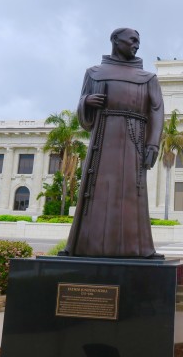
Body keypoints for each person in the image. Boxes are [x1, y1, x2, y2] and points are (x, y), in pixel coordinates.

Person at [62, 28, 164, 258]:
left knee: (132, 193)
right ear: (116, 41)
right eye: (133, 40)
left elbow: (157, 112)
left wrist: (153, 144)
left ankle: (141, 249)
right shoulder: (94, 73)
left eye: (139, 41)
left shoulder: (148, 78)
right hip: (103, 138)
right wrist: (87, 101)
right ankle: (83, 247)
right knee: (94, 191)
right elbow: (84, 116)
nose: (137, 45)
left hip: (134, 141)